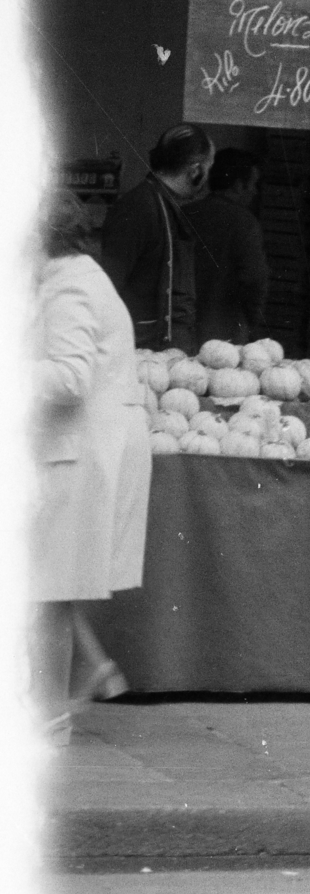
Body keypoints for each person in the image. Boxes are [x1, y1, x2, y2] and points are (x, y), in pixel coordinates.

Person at [30, 188, 153, 743]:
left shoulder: (70, 285)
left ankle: (48, 720)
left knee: (45, 586)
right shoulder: (70, 276)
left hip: (81, 452)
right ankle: (90, 666)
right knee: (45, 576)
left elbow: (69, 377)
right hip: (78, 448)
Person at [100, 123, 214, 353]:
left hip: (163, 354)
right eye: (209, 167)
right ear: (196, 170)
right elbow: (107, 285)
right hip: (139, 351)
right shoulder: (138, 208)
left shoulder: (164, 202)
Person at [186, 147, 268, 345]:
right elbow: (254, 279)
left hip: (182, 330)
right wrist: (253, 322)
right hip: (227, 335)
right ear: (238, 185)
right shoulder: (245, 223)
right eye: (253, 184)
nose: (255, 192)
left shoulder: (185, 214)